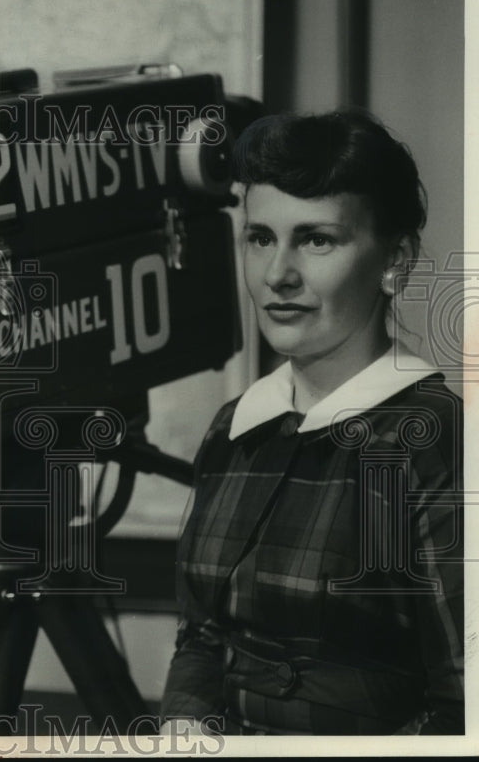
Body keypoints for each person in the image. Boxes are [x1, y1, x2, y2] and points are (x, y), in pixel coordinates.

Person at [159, 111, 464, 735]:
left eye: (317, 239)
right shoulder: (234, 430)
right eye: (261, 237)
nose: (278, 275)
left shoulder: (432, 443)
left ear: (395, 262)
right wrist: (184, 726)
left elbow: (465, 709)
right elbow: (202, 636)